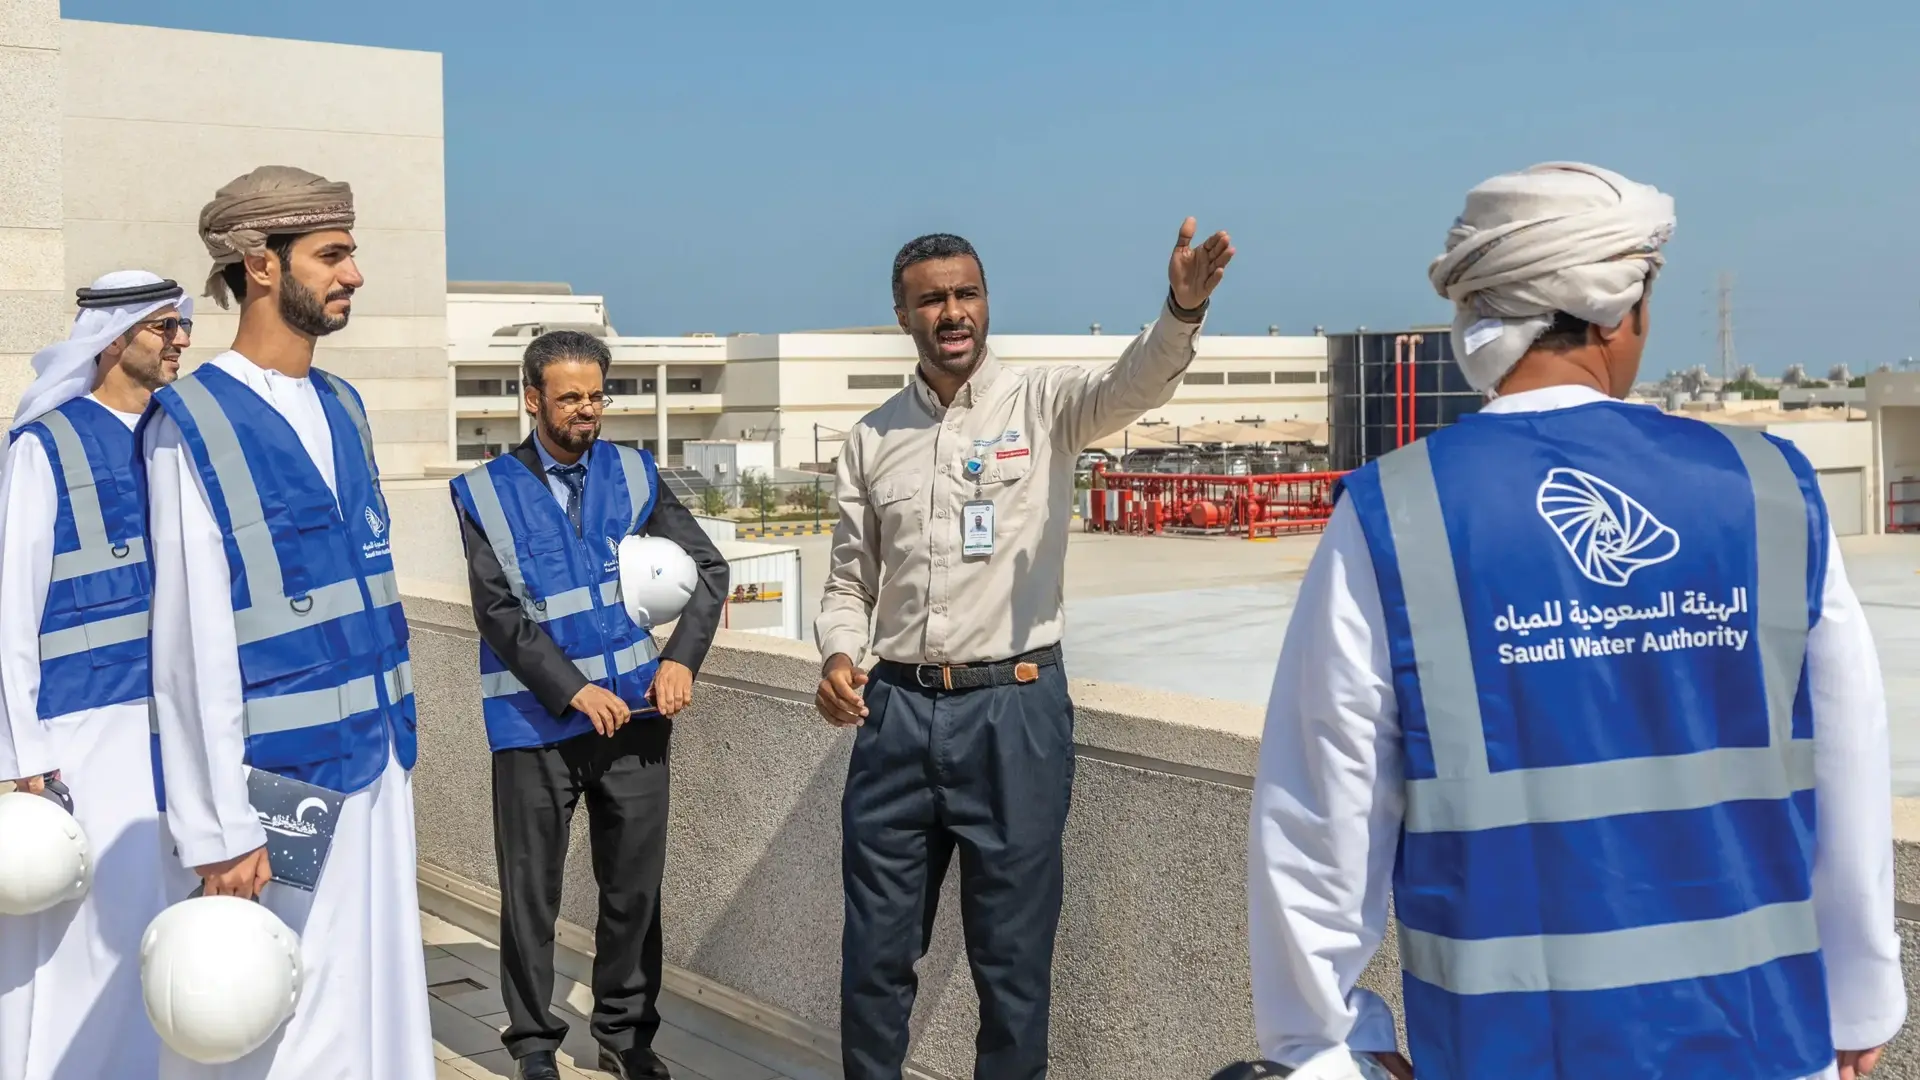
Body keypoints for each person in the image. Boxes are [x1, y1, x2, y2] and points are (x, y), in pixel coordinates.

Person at [1247, 162, 1906, 1080]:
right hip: (1763, 1048)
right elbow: (1846, 763)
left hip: (1506, 1056)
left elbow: (1319, 812)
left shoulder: (1396, 515)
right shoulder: (1771, 491)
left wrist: (1323, 1045)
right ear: (1613, 312)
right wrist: (1860, 1002)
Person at [815, 221, 1235, 1080]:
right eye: (932, 299)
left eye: (966, 293)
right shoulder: (872, 439)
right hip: (894, 715)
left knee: (1012, 971)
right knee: (873, 962)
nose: (953, 312)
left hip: (1015, 712)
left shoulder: (1044, 406)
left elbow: (1136, 382)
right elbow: (848, 583)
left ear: (986, 301)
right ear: (903, 315)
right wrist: (837, 657)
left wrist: (1182, 306)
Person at [140, 166, 434, 1080]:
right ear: (260, 266)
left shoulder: (343, 405)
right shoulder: (187, 419)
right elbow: (187, 650)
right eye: (333, 255)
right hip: (275, 787)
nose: (353, 275)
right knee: (276, 1020)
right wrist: (217, 826)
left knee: (373, 1005)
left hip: (379, 759)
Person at [449, 330, 729, 1080]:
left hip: (637, 717)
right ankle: (535, 1043)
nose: (587, 411)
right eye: (569, 397)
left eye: (596, 396)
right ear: (532, 398)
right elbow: (499, 612)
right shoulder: (484, 491)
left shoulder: (636, 474)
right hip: (534, 721)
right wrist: (572, 690)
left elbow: (710, 570)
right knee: (530, 892)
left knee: (633, 889)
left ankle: (625, 1035)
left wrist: (680, 660)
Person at [0, 270, 191, 1080]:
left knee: (167, 927)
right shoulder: (46, 446)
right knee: (84, 938)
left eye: (182, 326)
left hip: (175, 732)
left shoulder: (183, 438)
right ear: (114, 339)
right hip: (82, 734)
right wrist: (20, 755)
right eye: (164, 328)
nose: (181, 339)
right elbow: (9, 605)